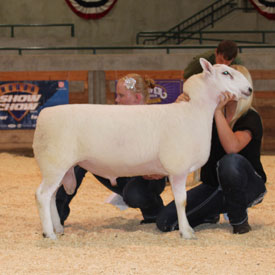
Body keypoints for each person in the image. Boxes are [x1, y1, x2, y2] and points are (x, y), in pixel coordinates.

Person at [156, 65, 267, 234]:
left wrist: (216, 111)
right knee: (165, 221)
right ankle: (211, 212)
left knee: (230, 162)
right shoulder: (207, 116)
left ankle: (239, 219)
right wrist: (181, 109)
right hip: (213, 186)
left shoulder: (250, 117)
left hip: (248, 186)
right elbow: (185, 141)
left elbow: (232, 148)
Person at [56, 73, 167, 225]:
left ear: (138, 98)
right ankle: (57, 213)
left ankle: (153, 211)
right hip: (120, 171)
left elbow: (167, 154)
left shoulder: (156, 119)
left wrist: (158, 169)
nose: (116, 100)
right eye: (117, 95)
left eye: (121, 95)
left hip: (147, 176)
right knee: (81, 158)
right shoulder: (114, 118)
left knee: (134, 194)